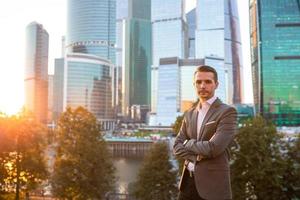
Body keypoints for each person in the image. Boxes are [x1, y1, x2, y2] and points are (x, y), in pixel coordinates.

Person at [173, 65, 237, 200]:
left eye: (208, 82)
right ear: (194, 85)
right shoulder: (189, 113)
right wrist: (197, 157)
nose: (202, 86)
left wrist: (188, 143)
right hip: (187, 185)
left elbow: (213, 148)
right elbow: (177, 146)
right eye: (198, 82)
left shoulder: (227, 112)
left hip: (212, 187)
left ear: (216, 84)